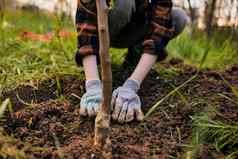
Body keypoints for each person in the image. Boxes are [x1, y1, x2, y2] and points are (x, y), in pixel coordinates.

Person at [75, 0, 189, 123]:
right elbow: (86, 21)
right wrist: (93, 85)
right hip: (104, 23)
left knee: (179, 17)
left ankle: (135, 58)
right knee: (125, 2)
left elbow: (159, 32)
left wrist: (132, 85)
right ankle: (99, 57)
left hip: (136, 27)